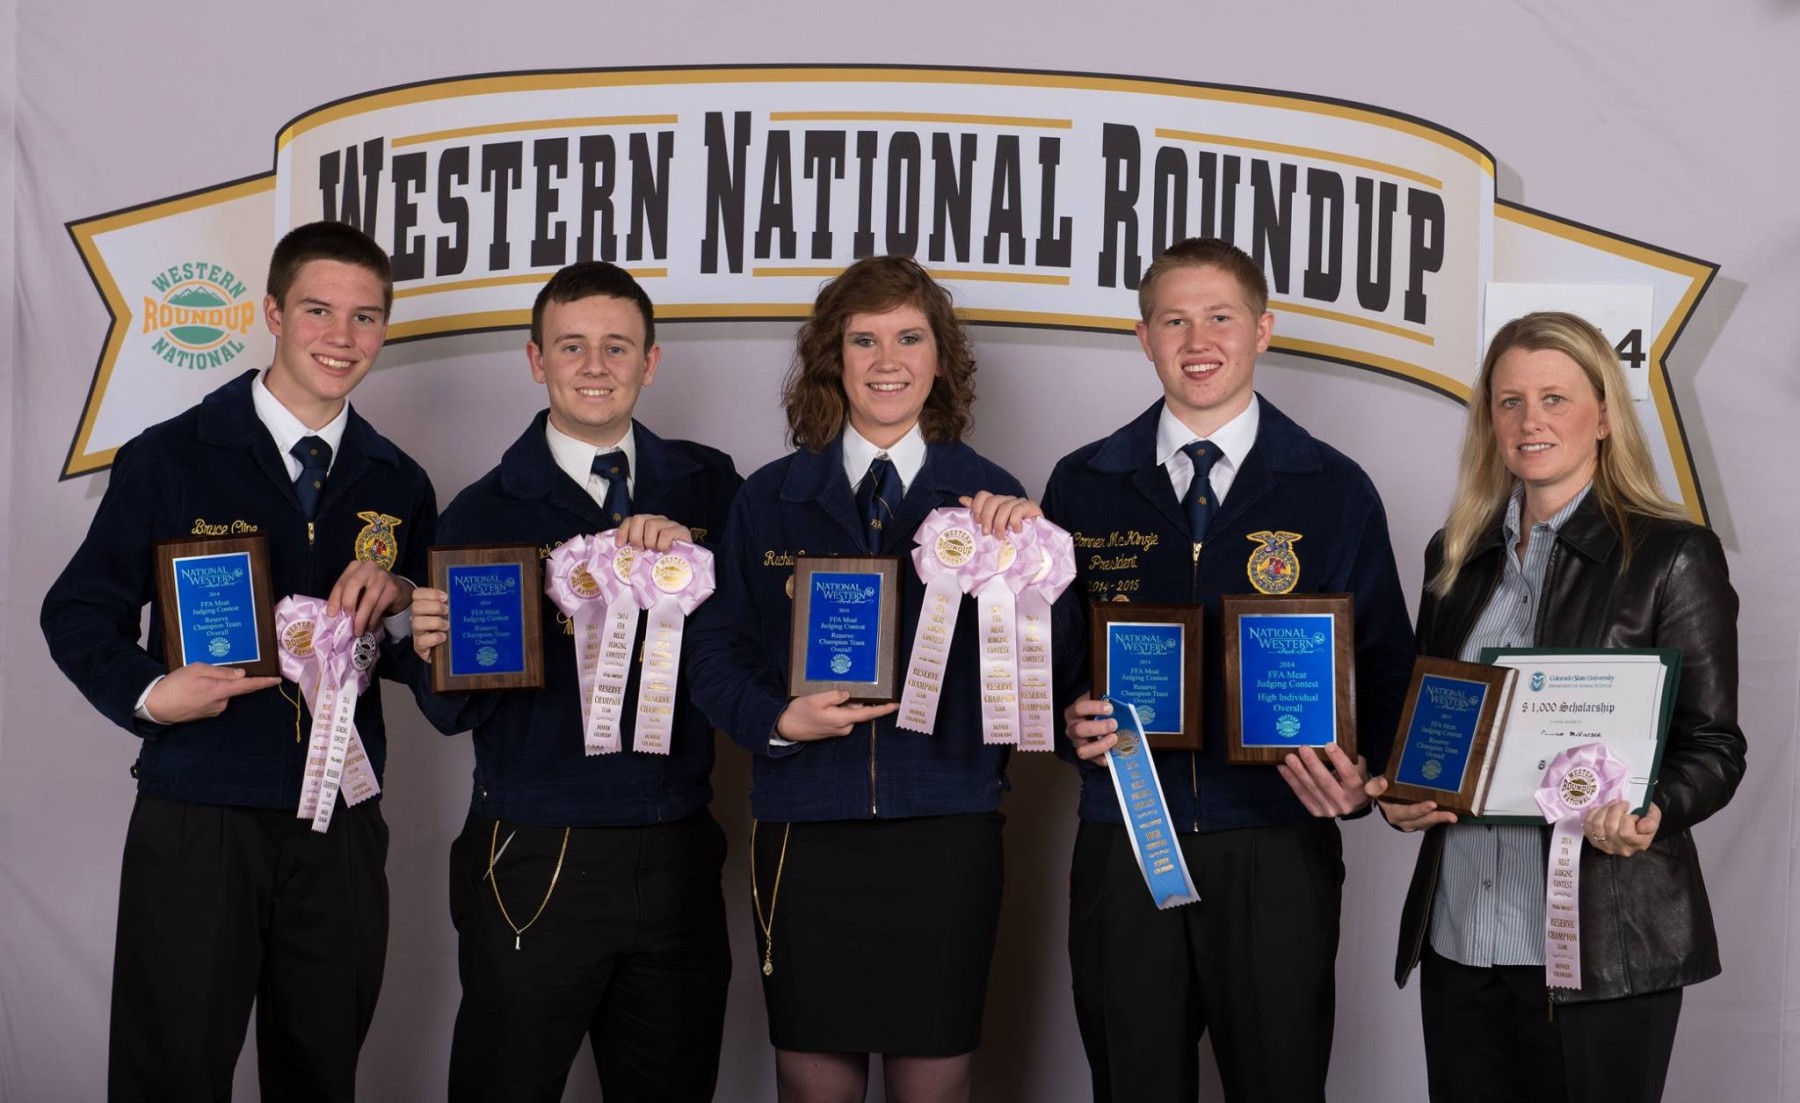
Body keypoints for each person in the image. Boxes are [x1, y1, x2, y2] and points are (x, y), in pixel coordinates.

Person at [41, 221, 436, 1102]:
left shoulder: (398, 481)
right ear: (270, 313)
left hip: (339, 813)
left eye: (367, 318)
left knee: (321, 1069)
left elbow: (419, 665)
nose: (343, 337)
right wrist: (148, 692)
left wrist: (408, 604)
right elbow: (76, 611)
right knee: (172, 1070)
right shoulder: (171, 455)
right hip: (199, 815)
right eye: (319, 311)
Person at [1045, 236, 1415, 1103]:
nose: (1197, 338)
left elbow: (1385, 657)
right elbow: (1053, 660)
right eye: (1174, 319)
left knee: (1280, 1083)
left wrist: (1365, 775)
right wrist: (1069, 720)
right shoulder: (1082, 483)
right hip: (1126, 837)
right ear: (1144, 338)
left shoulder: (1332, 486)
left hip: (1276, 840)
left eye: (1220, 316)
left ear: (1263, 329)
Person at [1357, 311, 1743, 1103]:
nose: (1530, 420)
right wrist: (1400, 790)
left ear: (1603, 415)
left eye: (1555, 398)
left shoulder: (1672, 555)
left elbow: (1714, 743)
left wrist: (1652, 807)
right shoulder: (1455, 556)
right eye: (1509, 401)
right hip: (1460, 933)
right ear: (1489, 421)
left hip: (1604, 945)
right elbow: (1437, 720)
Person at [687, 255, 1042, 1103]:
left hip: (946, 829)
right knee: (814, 1090)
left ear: (941, 358)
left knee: (933, 1091)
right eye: (865, 339)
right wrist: (778, 720)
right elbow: (713, 654)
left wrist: (1036, 564)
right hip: (806, 836)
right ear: (833, 359)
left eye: (910, 336)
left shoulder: (996, 499)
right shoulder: (768, 498)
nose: (888, 359)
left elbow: (1042, 674)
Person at [402, 261, 741, 1102]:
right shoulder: (484, 512)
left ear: (650, 362)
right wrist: (429, 650)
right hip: (537, 853)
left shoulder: (712, 487)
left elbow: (758, 640)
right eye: (572, 345)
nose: (595, 365)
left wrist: (691, 563)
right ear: (536, 359)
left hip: (677, 847)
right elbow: (451, 712)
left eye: (617, 346)